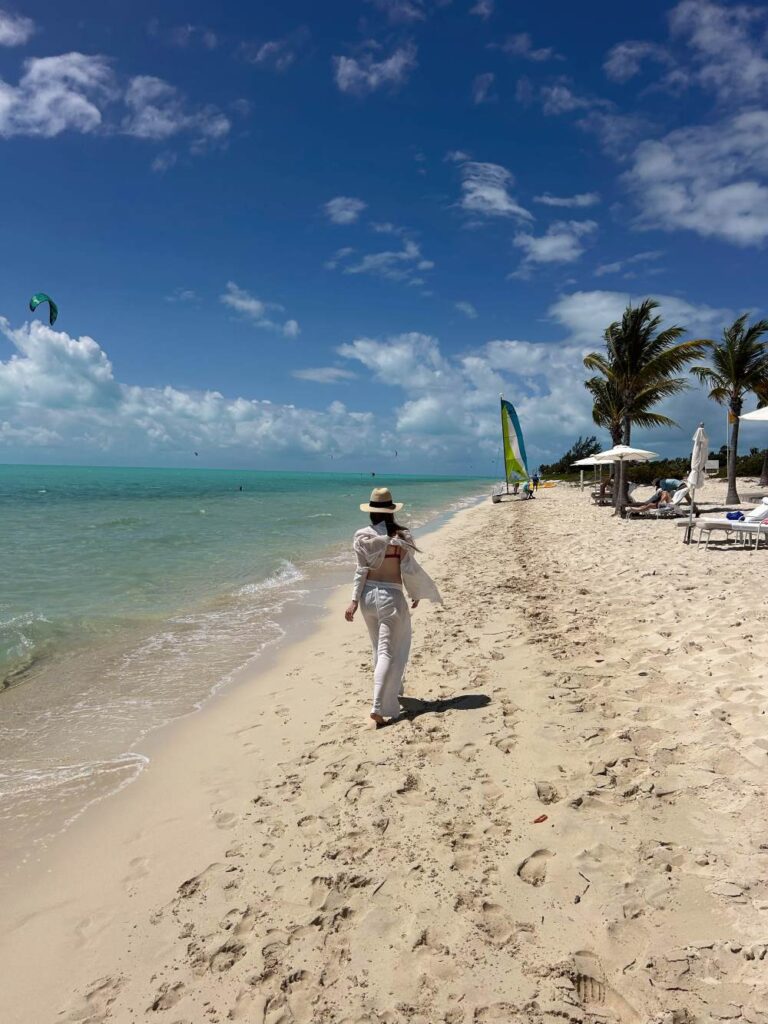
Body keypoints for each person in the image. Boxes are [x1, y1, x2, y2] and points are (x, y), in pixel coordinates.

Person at [345, 487, 442, 727]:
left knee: (378, 648)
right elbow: (409, 569)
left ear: (371, 512)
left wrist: (354, 601)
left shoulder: (363, 537)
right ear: (390, 511)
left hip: (368, 598)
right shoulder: (401, 537)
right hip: (391, 597)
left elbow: (361, 571)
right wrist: (415, 592)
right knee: (388, 650)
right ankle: (378, 707)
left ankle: (394, 690)